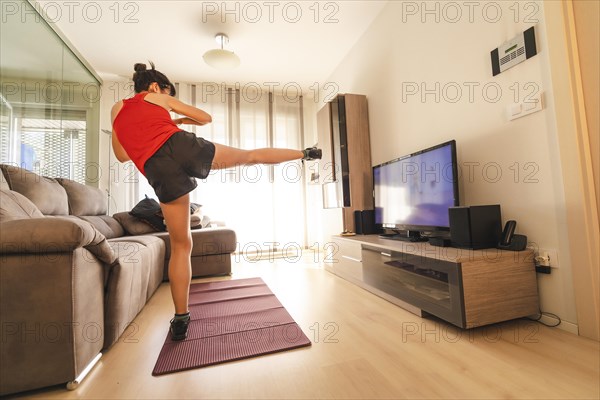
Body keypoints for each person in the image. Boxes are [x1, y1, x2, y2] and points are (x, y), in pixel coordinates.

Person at [111, 62, 322, 340]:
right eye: (167, 91)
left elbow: (122, 155)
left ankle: (181, 319)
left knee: (180, 245)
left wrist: (159, 123)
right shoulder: (157, 97)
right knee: (249, 156)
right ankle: (305, 154)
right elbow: (205, 117)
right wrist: (176, 116)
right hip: (179, 145)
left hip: (157, 167)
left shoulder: (117, 108)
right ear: (155, 87)